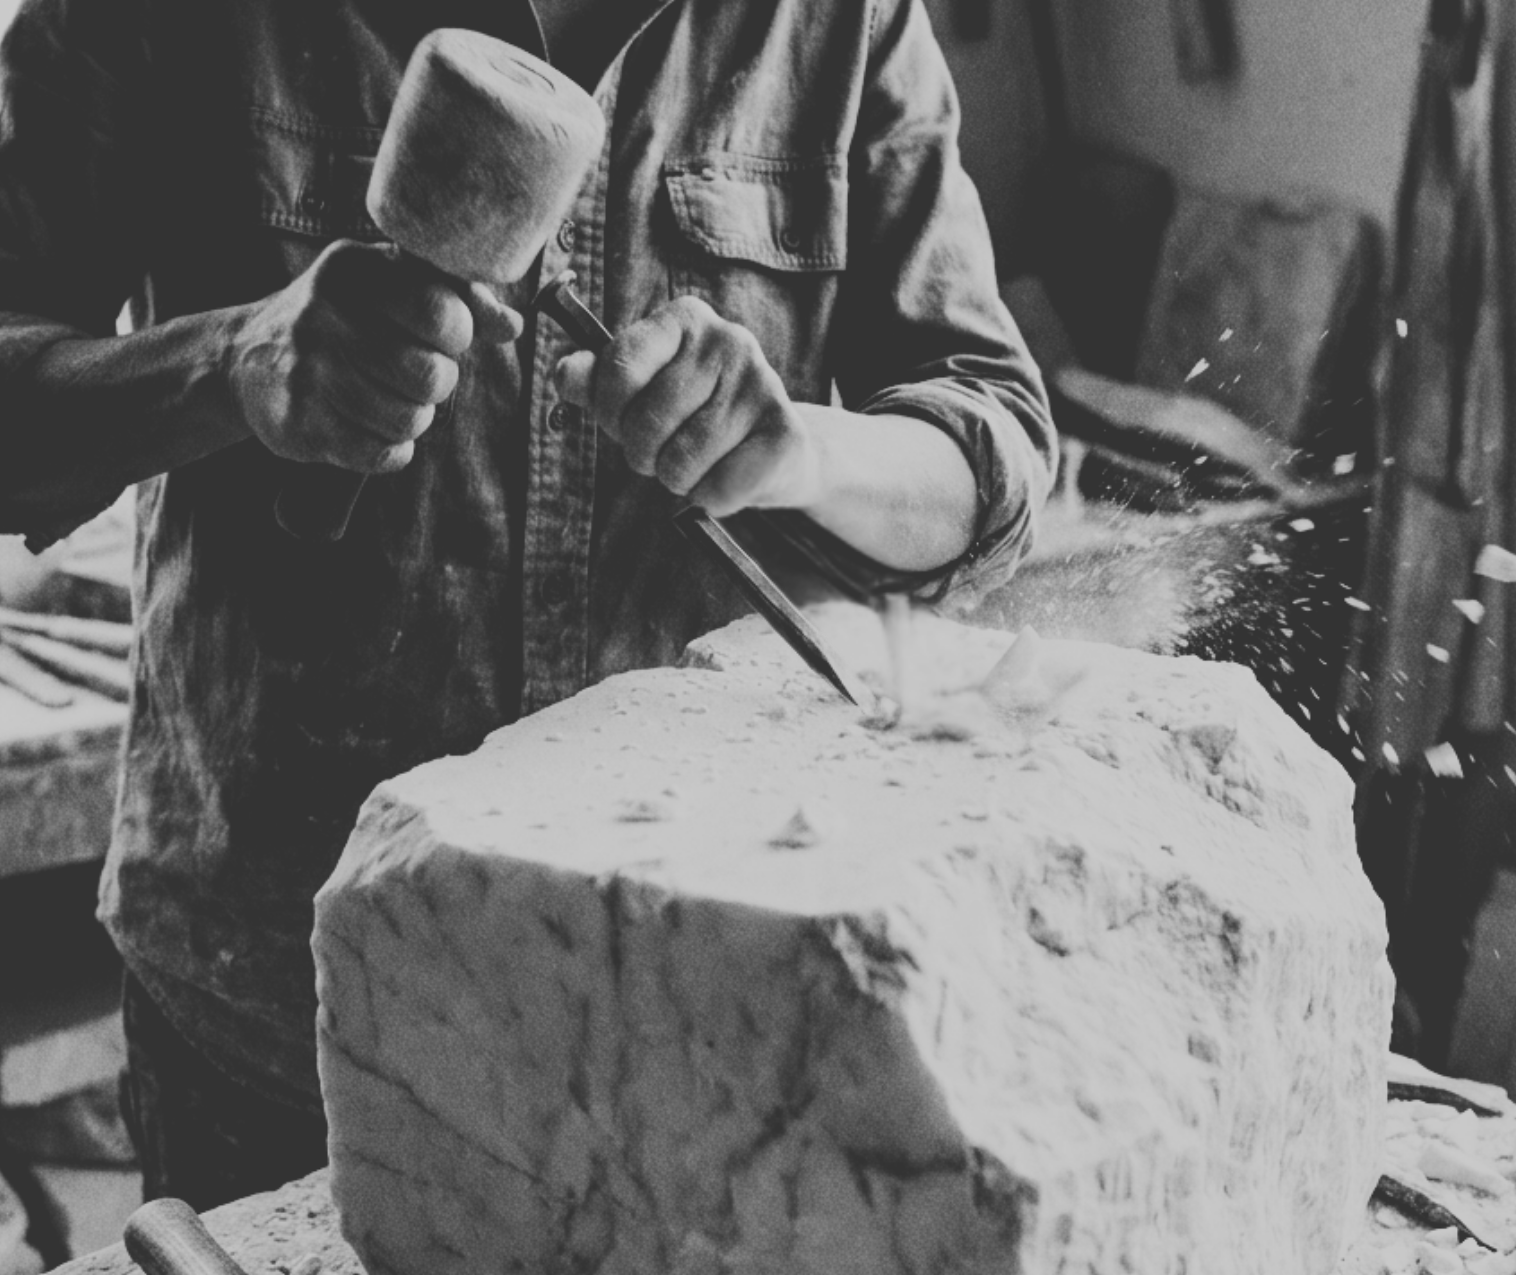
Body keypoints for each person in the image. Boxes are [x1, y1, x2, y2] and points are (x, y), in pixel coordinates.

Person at [0, 0, 1054, 1209]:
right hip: (276, 1008)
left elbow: (999, 455)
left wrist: (799, 453)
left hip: (701, 1009)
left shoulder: (840, 21)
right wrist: (231, 365)